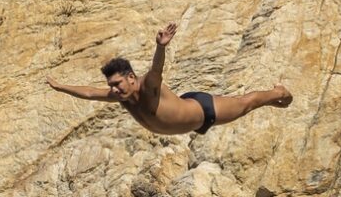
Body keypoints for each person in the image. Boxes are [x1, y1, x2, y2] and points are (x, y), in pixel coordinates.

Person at [47, 22, 291, 135]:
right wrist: (60, 87)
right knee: (245, 106)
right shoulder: (121, 97)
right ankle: (273, 96)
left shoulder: (147, 86)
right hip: (185, 115)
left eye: (117, 83)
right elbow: (89, 92)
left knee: (246, 103)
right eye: (111, 85)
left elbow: (156, 71)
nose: (114, 89)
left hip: (203, 111)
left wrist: (161, 47)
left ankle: (279, 93)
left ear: (131, 77)